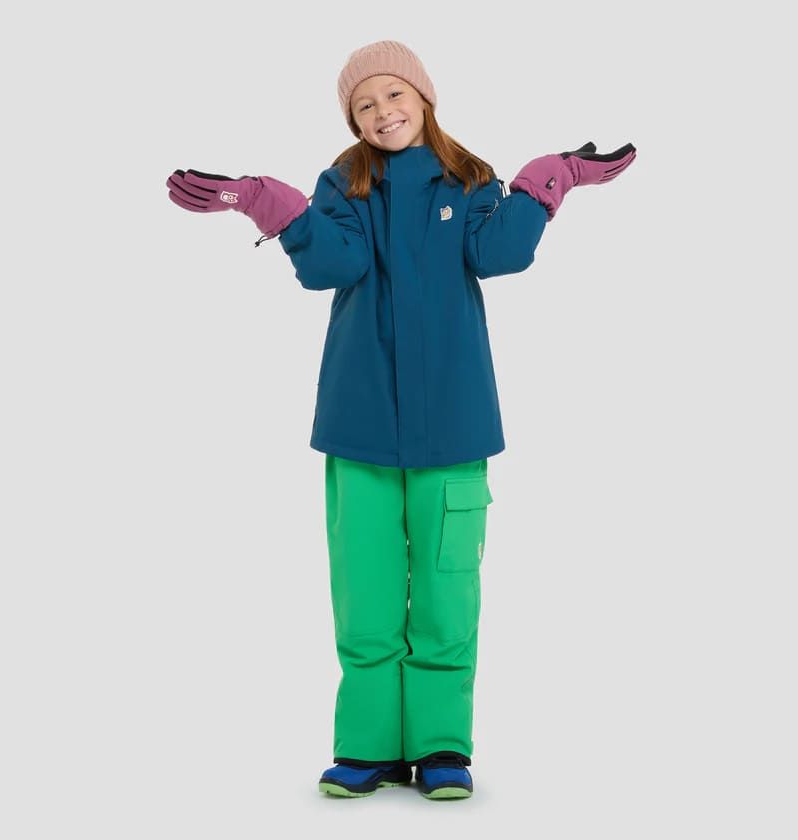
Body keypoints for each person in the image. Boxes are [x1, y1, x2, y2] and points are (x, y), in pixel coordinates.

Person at [166, 39, 636, 801]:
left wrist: (550, 179)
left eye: (394, 95)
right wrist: (269, 203)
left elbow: (501, 253)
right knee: (367, 590)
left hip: (454, 426)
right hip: (361, 427)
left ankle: (442, 745)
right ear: (352, 120)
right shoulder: (342, 183)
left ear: (423, 97)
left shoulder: (469, 178)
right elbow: (334, 266)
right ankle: (369, 745)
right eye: (364, 105)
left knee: (448, 591)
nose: (382, 112)